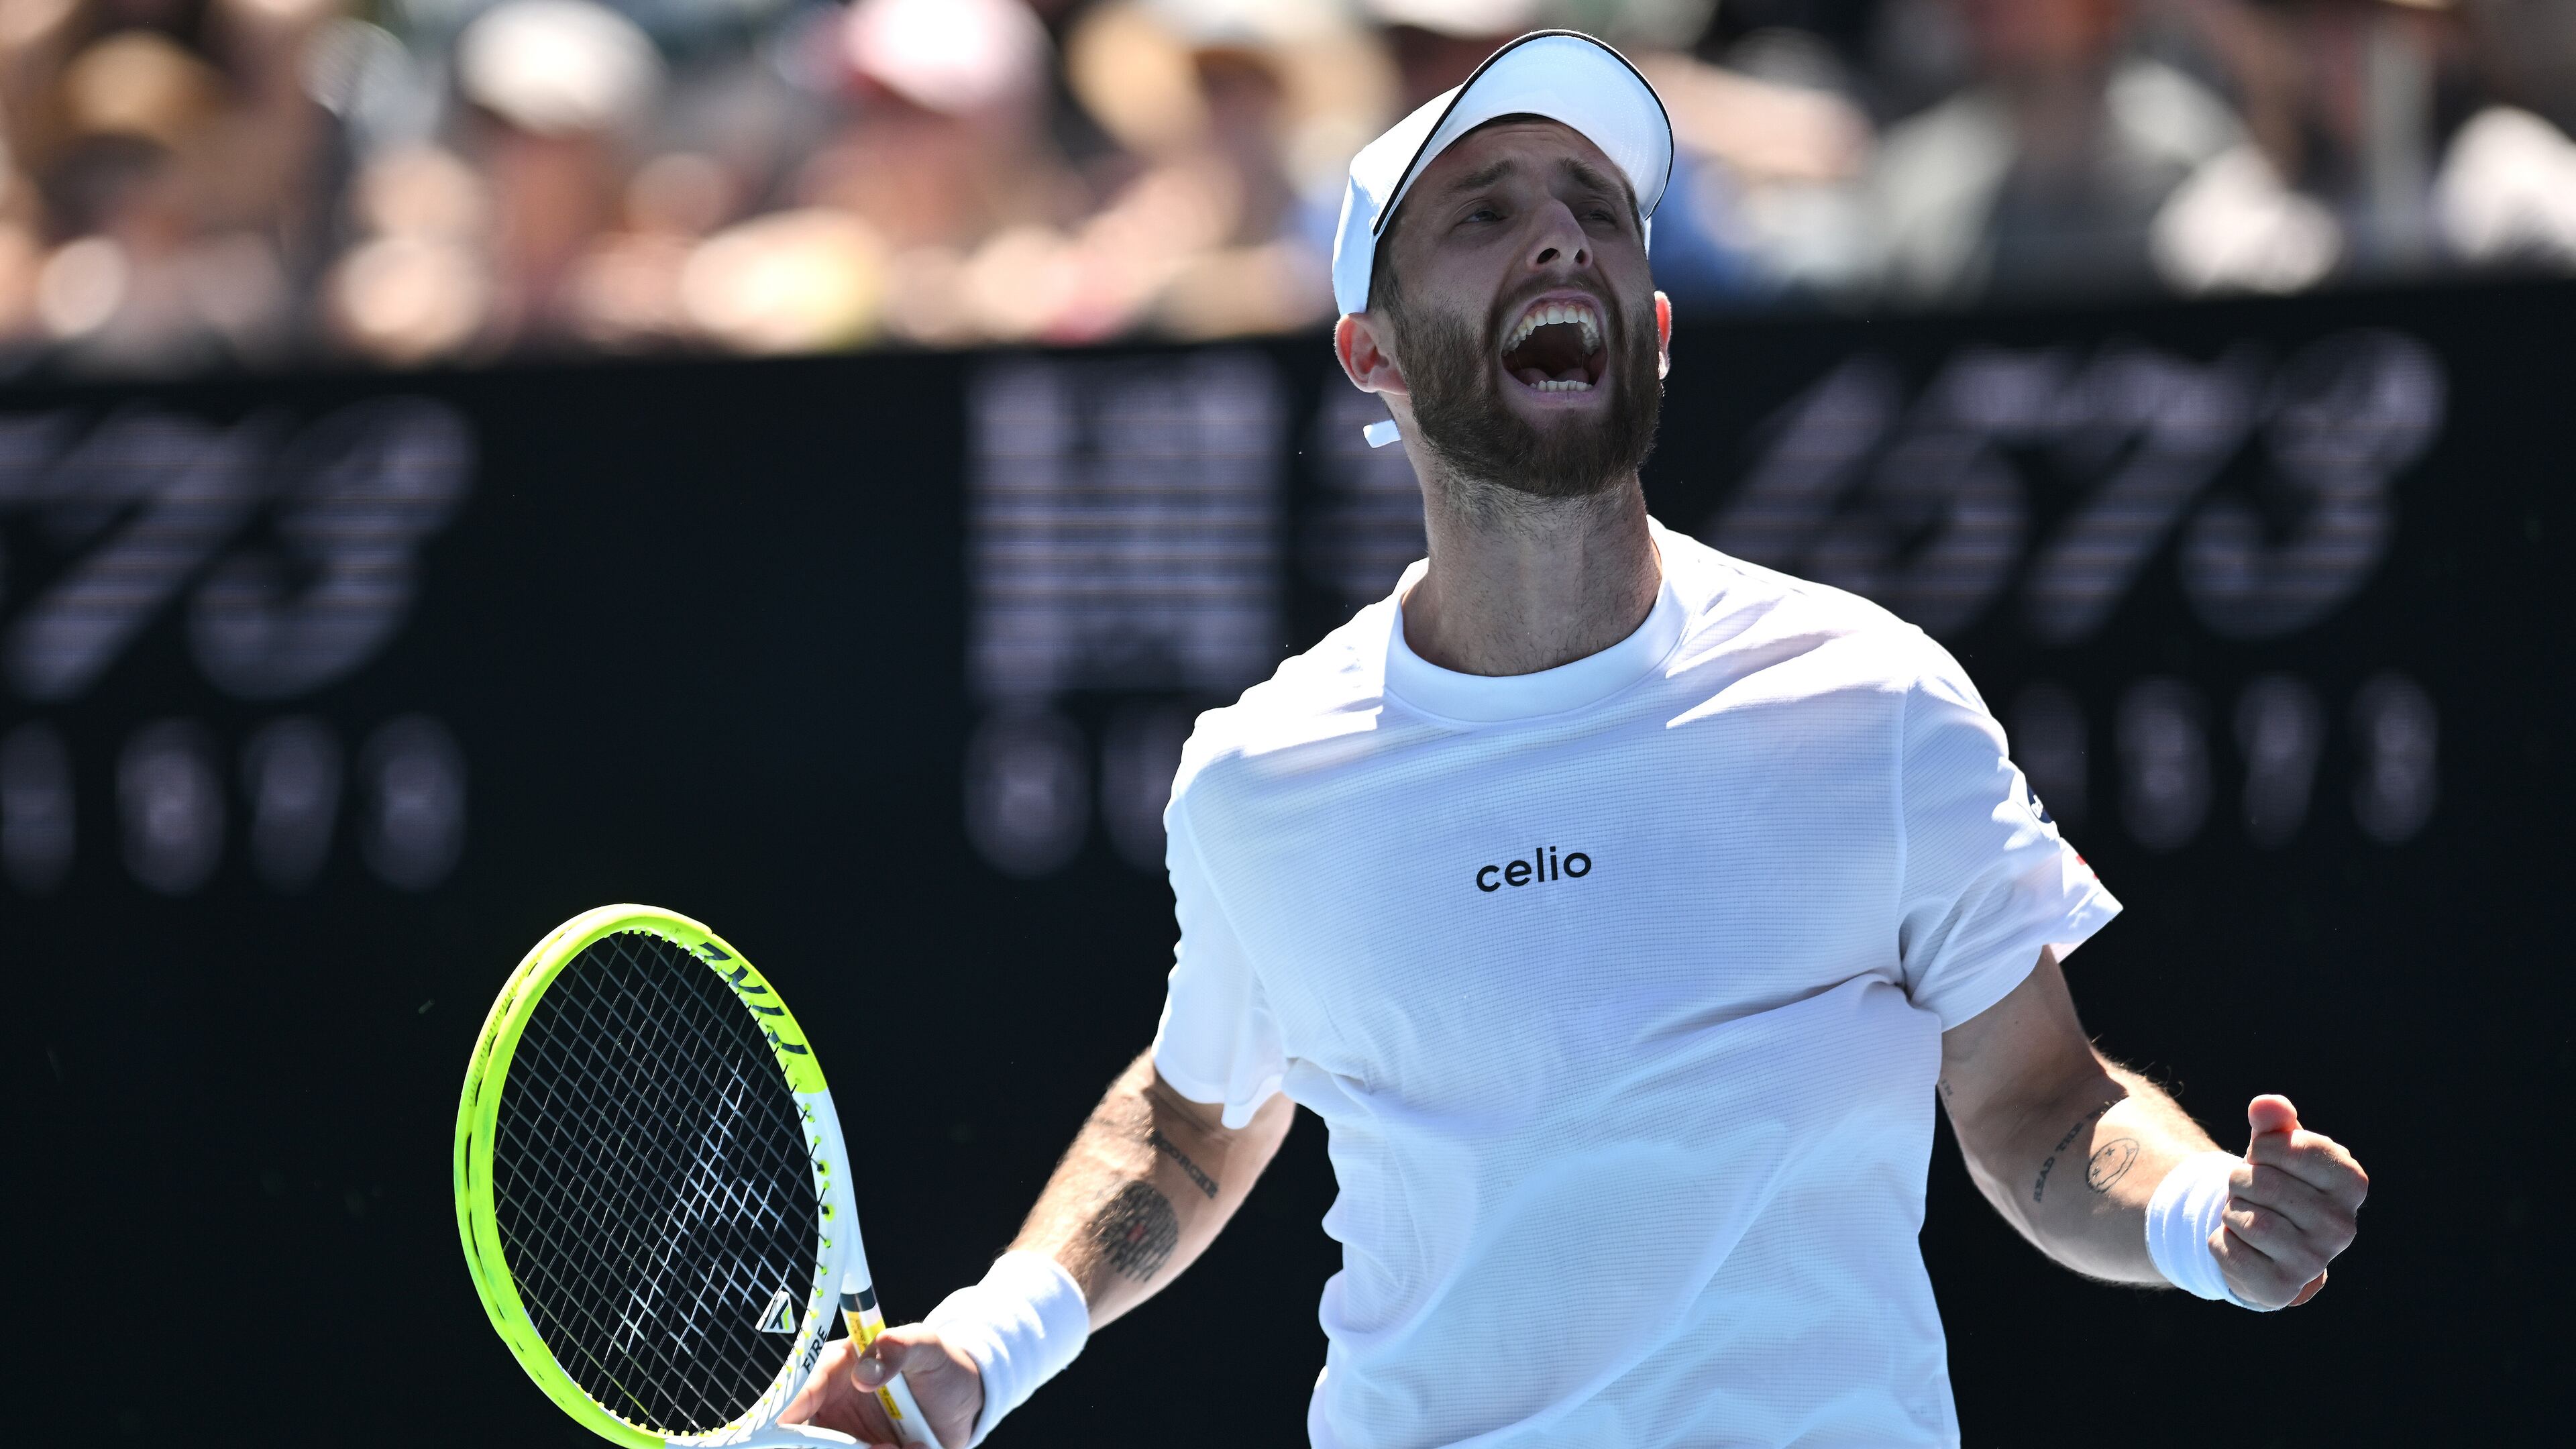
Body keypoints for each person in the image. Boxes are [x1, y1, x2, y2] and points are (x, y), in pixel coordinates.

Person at [786, 31, 2369, 1449]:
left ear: (1654, 321)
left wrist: (2198, 1220)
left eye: (1599, 211)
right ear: (1374, 355)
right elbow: (1198, 1123)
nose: (1559, 231)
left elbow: (2040, 1110)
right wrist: (978, 1353)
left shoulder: (1877, 704)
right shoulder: (1266, 782)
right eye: (1482, 214)